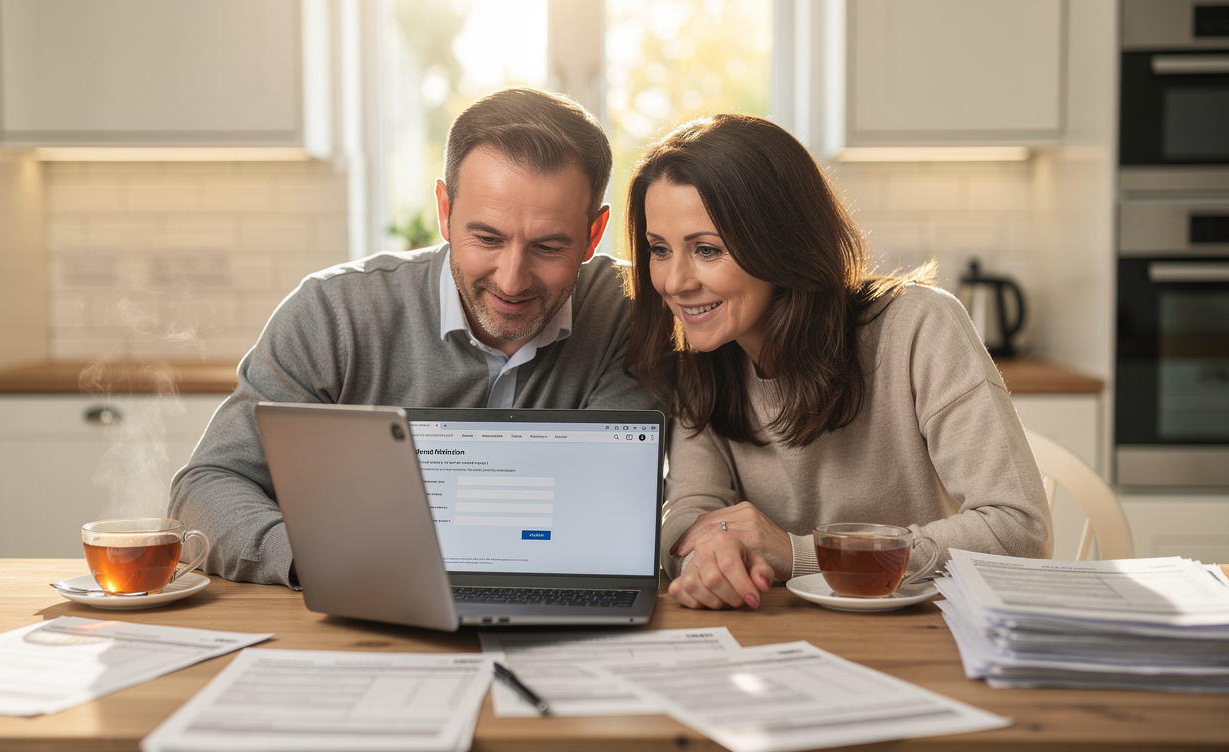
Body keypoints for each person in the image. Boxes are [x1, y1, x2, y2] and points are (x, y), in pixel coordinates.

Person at [170, 87, 657, 587]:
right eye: (486, 238)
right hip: (361, 613)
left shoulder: (629, 318)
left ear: (594, 234)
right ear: (445, 210)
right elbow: (206, 486)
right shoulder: (333, 314)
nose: (512, 279)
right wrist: (319, 557)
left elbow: (614, 504)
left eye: (548, 246)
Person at [620, 114, 1052, 610]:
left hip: (925, 631)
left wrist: (799, 554)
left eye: (706, 250)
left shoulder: (918, 326)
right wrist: (709, 556)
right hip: (781, 636)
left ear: (781, 242)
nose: (674, 282)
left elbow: (1021, 532)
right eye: (659, 249)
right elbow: (689, 512)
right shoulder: (706, 353)